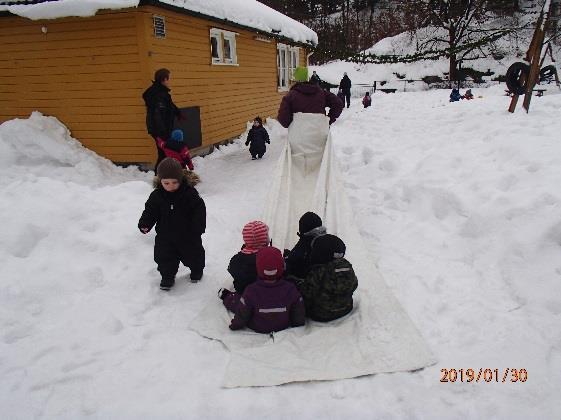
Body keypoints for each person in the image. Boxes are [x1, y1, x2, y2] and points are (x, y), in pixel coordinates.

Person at [138, 158, 206, 290]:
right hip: (165, 236)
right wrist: (145, 223)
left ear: (181, 179)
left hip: (188, 235)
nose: (171, 186)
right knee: (164, 257)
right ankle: (167, 276)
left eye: (175, 182)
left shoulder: (189, 194)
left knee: (193, 255)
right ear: (160, 181)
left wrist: (197, 228)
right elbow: (150, 211)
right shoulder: (156, 196)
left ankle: (197, 270)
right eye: (166, 183)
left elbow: (199, 211)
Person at [219, 247, 306, 333]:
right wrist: (297, 323)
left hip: (258, 326)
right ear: (281, 266)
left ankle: (227, 297)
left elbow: (242, 314)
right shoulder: (290, 289)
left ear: (258, 267)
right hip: (282, 325)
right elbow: (298, 310)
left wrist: (235, 325)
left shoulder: (251, 291)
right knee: (245, 302)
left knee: (240, 302)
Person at [293, 234, 358, 322]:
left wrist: (297, 283)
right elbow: (354, 284)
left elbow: (307, 292)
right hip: (346, 308)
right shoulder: (347, 266)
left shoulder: (320, 270)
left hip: (321, 313)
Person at [277, 66, 343, 128]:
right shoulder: (321, 93)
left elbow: (283, 120)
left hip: (298, 135)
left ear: (295, 81)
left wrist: (294, 123)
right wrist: (328, 120)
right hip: (320, 133)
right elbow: (338, 104)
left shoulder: (290, 96)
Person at [142, 68, 181, 170]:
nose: (169, 81)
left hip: (161, 129)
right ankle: (158, 176)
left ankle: (162, 176)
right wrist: (162, 134)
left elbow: (170, 105)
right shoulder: (157, 95)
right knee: (163, 153)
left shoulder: (161, 92)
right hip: (159, 130)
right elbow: (157, 115)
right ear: (164, 79)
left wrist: (178, 112)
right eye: (169, 79)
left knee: (164, 152)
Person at [227, 220, 270, 294]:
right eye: (267, 235)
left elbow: (231, 269)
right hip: (262, 293)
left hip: (242, 291)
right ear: (264, 240)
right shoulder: (267, 258)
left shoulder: (236, 259)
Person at [284, 211, 326, 279]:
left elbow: (294, 263)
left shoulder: (305, 243)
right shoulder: (325, 241)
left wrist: (288, 258)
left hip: (304, 285)